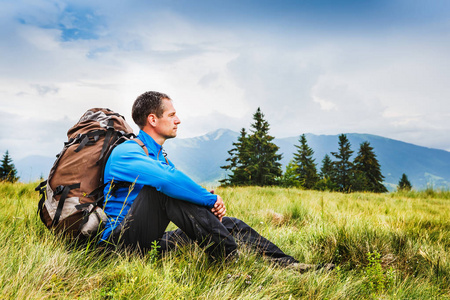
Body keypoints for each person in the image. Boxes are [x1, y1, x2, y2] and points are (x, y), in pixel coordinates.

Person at [100, 91, 332, 271]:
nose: (178, 120)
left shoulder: (159, 156)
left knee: (229, 224)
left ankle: (291, 266)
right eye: (171, 115)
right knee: (163, 191)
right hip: (119, 246)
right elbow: (169, 182)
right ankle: (227, 259)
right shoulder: (126, 152)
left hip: (151, 241)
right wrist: (209, 199)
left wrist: (209, 206)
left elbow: (178, 184)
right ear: (153, 119)